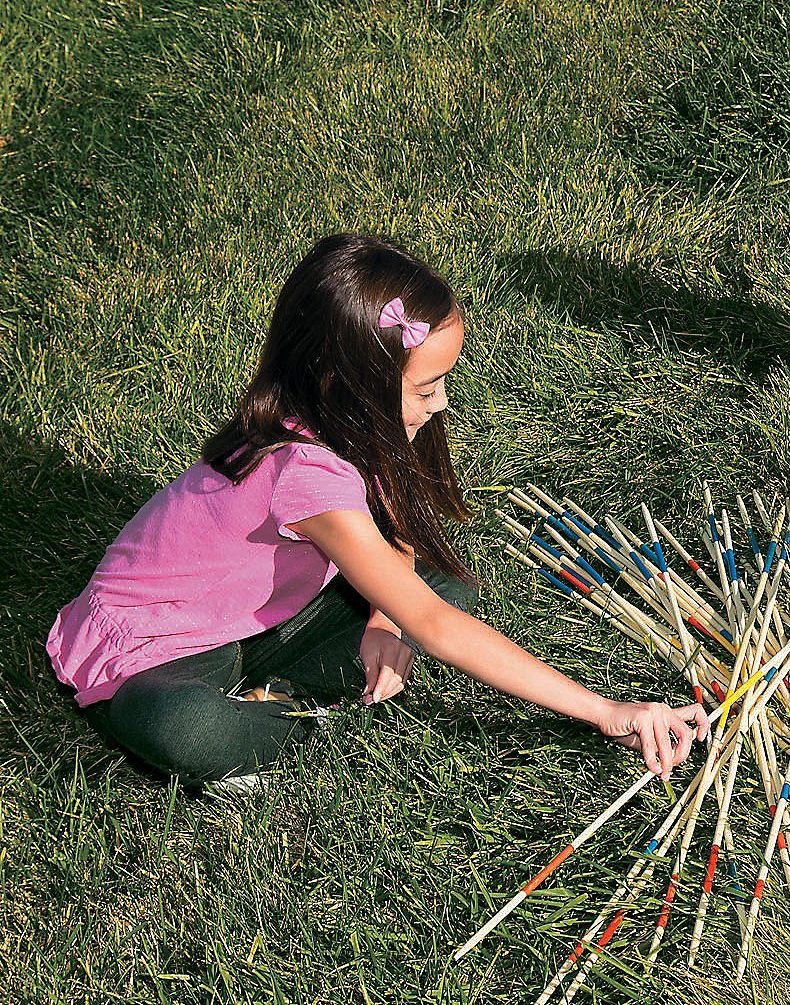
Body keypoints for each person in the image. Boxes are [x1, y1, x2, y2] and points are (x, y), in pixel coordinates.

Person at [47, 233, 707, 789]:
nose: (442, 403)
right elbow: (438, 628)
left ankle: (267, 694)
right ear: (349, 386)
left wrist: (386, 618)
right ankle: (273, 726)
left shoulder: (343, 422)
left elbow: (400, 538)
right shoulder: (305, 475)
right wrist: (604, 712)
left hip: (252, 621)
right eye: (426, 387)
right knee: (184, 729)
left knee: (445, 584)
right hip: (155, 653)